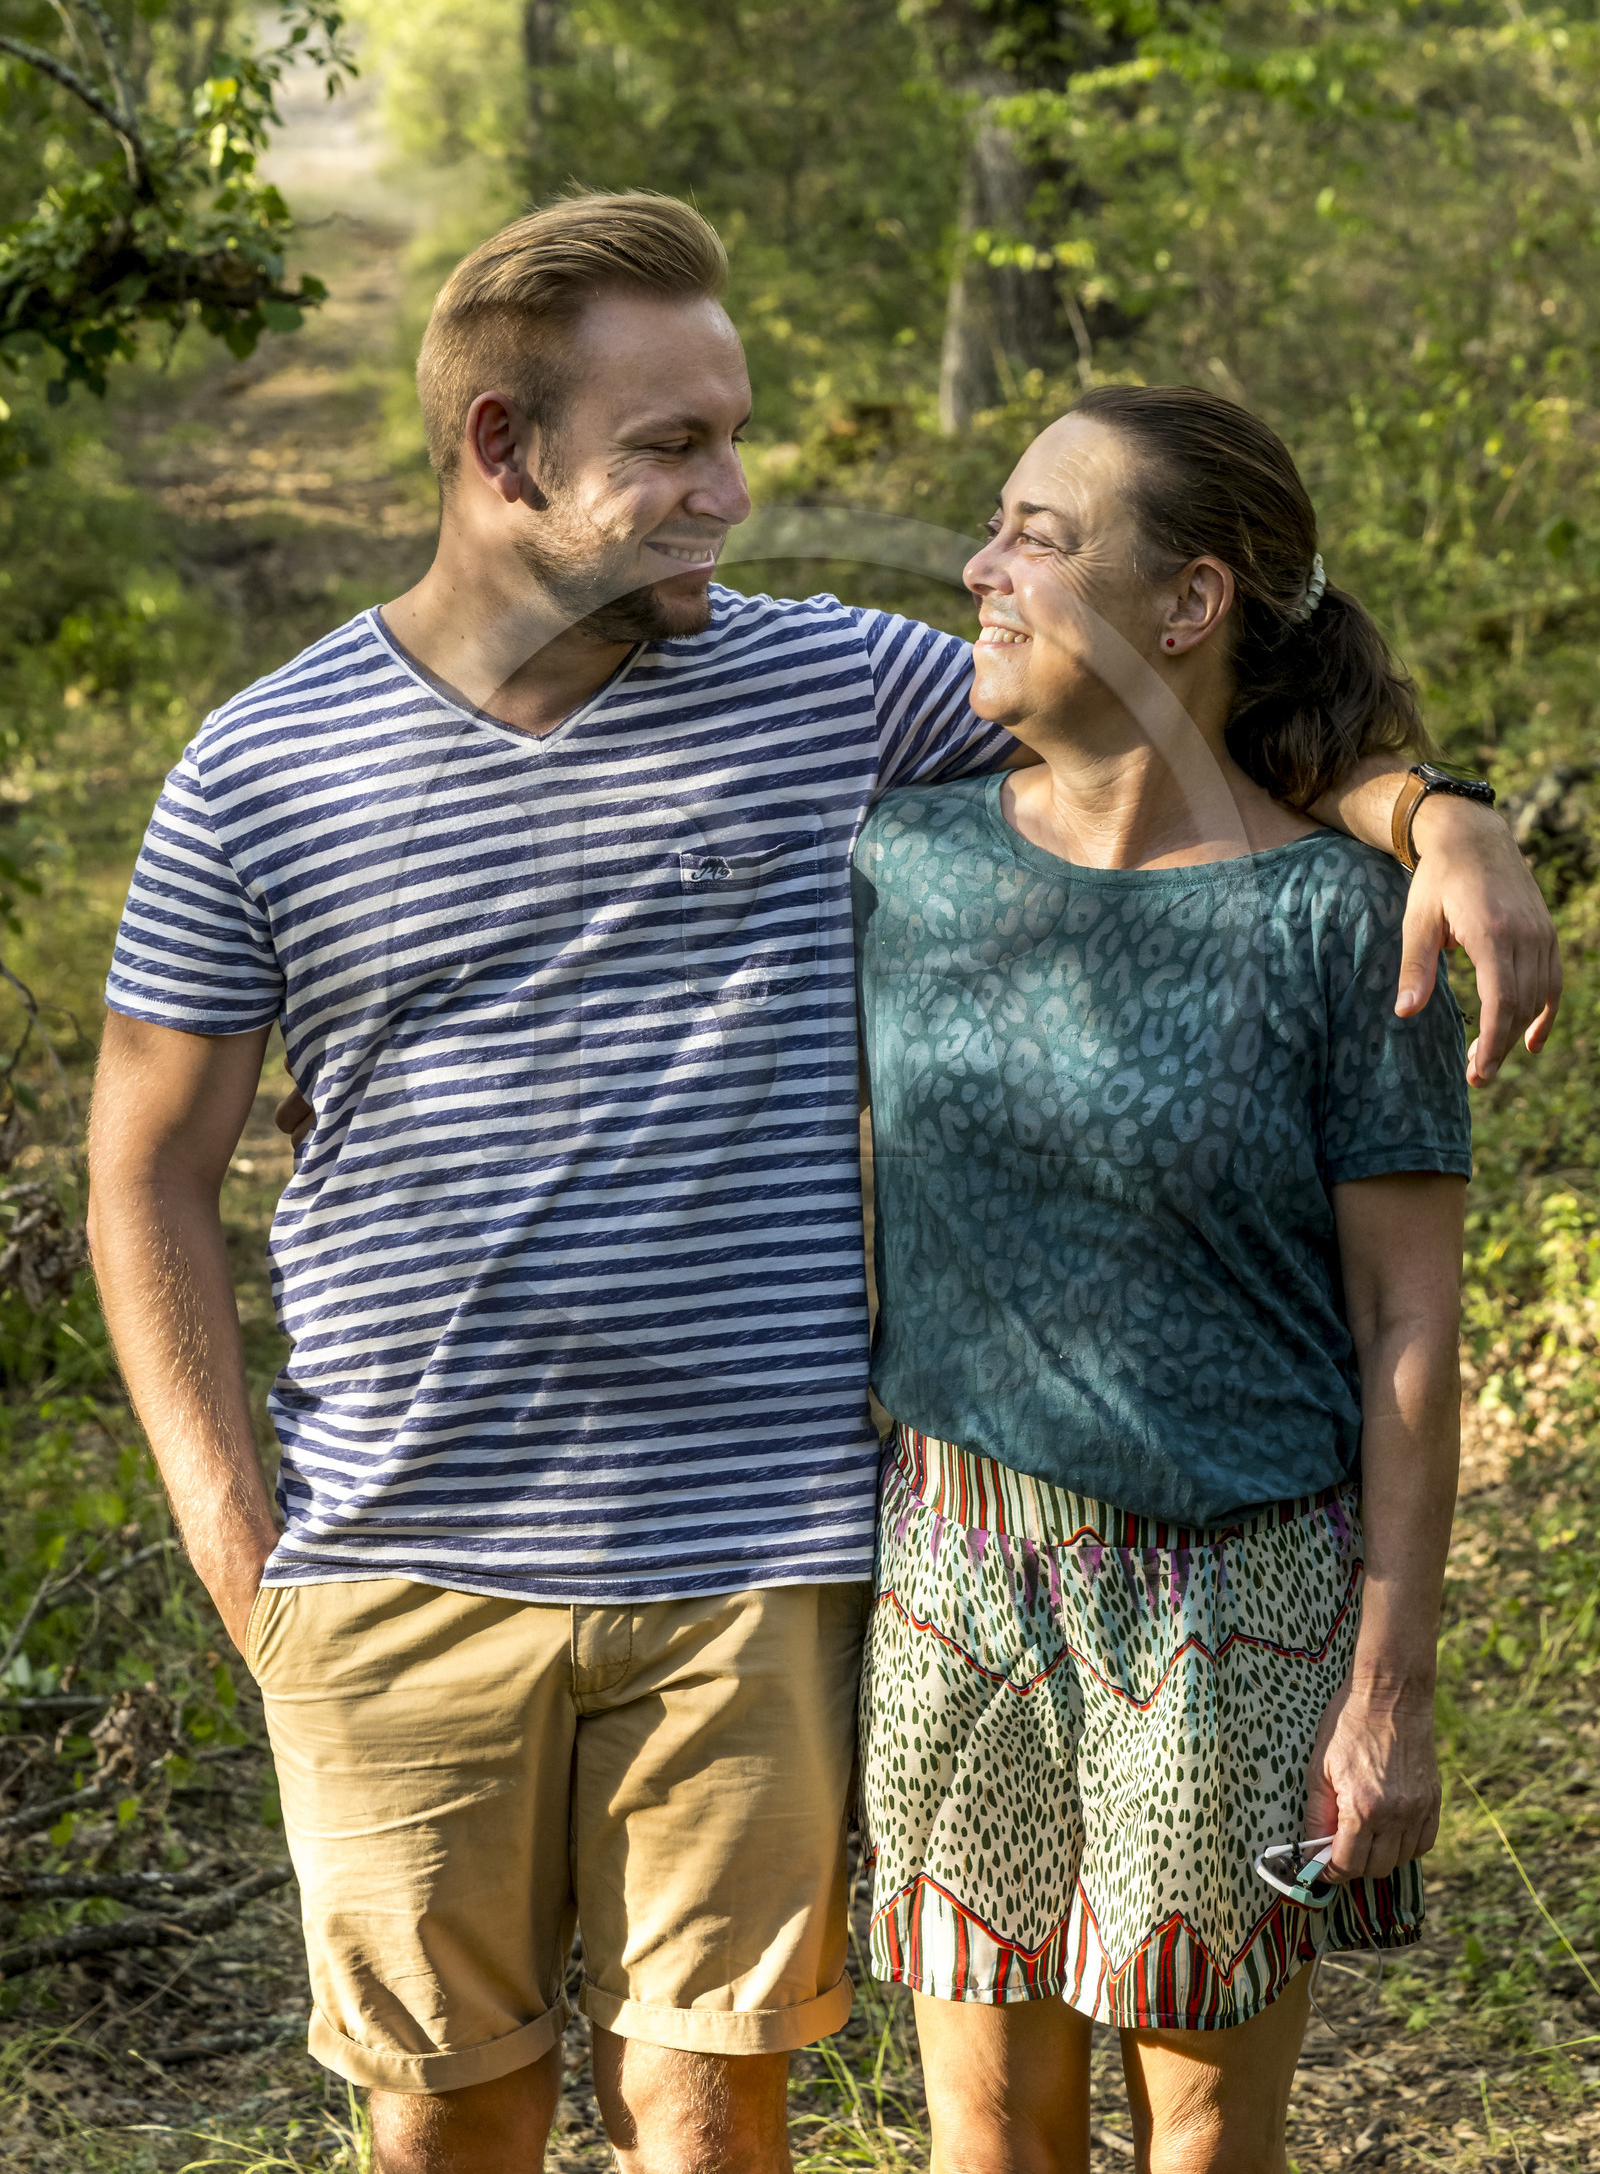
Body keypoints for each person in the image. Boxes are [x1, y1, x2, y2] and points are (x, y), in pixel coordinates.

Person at [86, 194, 1552, 2174]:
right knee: (444, 2125)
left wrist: (1432, 813)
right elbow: (149, 1169)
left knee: (705, 2117)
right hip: (395, 1552)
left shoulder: (836, 691)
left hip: (756, 1567)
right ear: (500, 446)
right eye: (670, 447)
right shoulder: (260, 771)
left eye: (734, 432)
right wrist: (233, 1538)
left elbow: (1182, 713)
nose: (731, 492)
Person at [852, 386, 1476, 2174]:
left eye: (1038, 538)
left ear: (1190, 605)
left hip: (1233, 1598)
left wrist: (1391, 1685)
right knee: (989, 2132)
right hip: (955, 1567)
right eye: (992, 524)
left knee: (1200, 2132)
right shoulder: (908, 862)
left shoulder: (1340, 925)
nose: (979, 566)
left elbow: (1409, 1328)